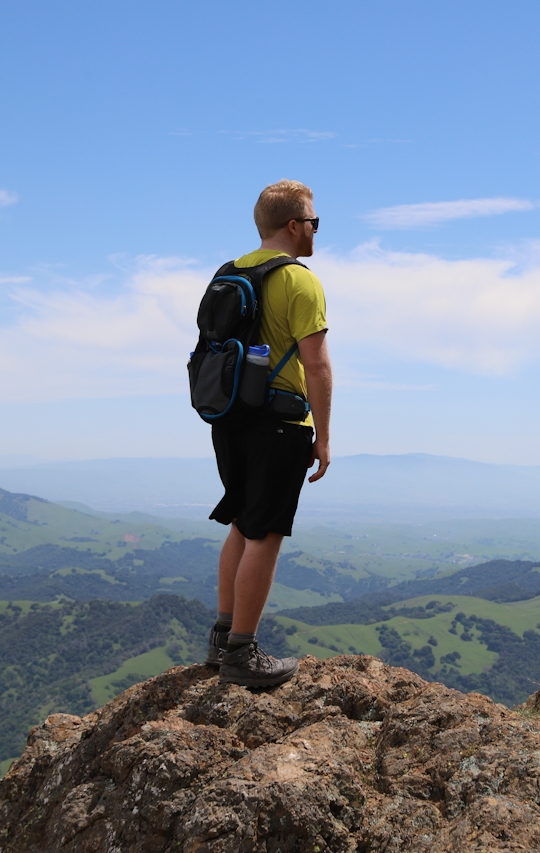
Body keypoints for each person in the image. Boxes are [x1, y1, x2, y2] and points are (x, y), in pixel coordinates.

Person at [203, 179, 333, 687]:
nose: (316, 233)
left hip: (230, 418)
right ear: (295, 225)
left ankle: (221, 639)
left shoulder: (229, 273)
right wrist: (322, 437)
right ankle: (242, 652)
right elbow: (316, 365)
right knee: (267, 532)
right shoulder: (300, 281)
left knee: (241, 520)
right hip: (280, 422)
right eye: (315, 223)